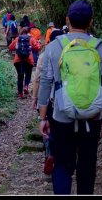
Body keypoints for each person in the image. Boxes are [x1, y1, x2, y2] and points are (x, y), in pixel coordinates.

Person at [37, 0, 102, 194]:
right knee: (87, 167)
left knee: (63, 166)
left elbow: (45, 83)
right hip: (93, 118)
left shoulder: (54, 47)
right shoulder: (101, 48)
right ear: (91, 22)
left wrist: (42, 118)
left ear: (67, 20)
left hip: (62, 117)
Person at [31, 28, 65, 175]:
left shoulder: (45, 54)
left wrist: (35, 98)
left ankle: (49, 154)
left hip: (49, 98)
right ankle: (62, 156)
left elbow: (38, 78)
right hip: (64, 97)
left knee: (48, 128)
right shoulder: (68, 52)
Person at [8, 26, 41, 99]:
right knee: (28, 74)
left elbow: (10, 47)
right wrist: (38, 43)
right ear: (28, 32)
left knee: (20, 76)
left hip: (18, 60)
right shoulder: (31, 39)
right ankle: (26, 86)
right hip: (29, 60)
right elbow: (38, 47)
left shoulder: (17, 39)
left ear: (21, 32)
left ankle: (20, 93)